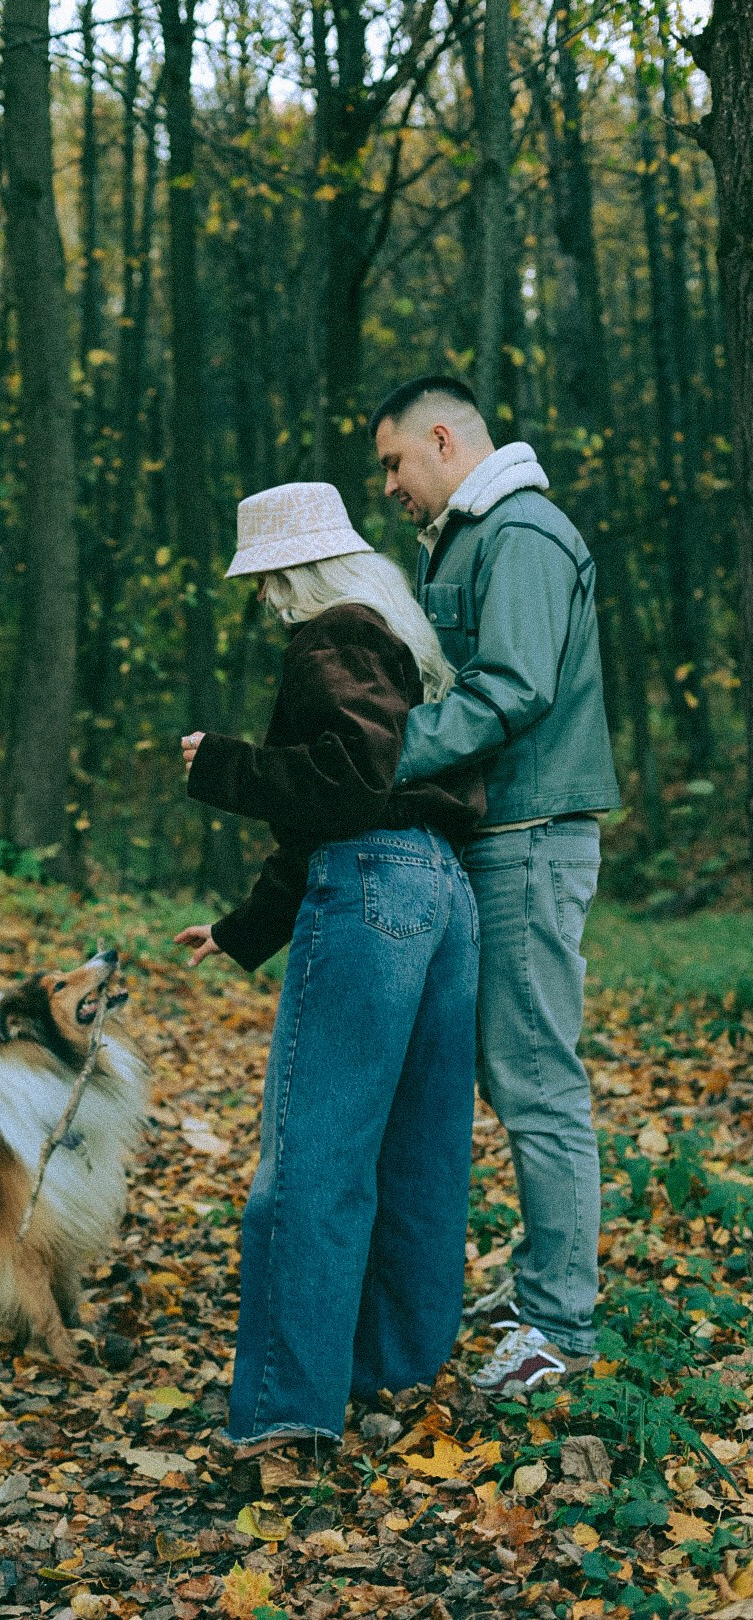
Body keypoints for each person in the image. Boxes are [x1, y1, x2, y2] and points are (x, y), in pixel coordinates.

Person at [173, 480, 484, 1457]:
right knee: (421, 1155)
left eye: (269, 581)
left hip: (374, 893)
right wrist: (244, 930)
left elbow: (346, 790)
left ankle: (285, 1416)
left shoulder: (334, 636)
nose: (267, 602)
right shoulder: (402, 645)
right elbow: (355, 806)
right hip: (445, 895)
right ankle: (394, 1382)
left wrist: (223, 764)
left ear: (298, 573)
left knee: (314, 1160)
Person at [370, 374, 620, 1397]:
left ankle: (559, 1325)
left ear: (442, 439)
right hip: (500, 838)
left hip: (531, 838)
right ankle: (539, 1287)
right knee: (511, 1074)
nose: (389, 484)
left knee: (537, 1082)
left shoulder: (520, 532)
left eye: (394, 461)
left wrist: (383, 753)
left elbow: (514, 686)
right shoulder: (468, 536)